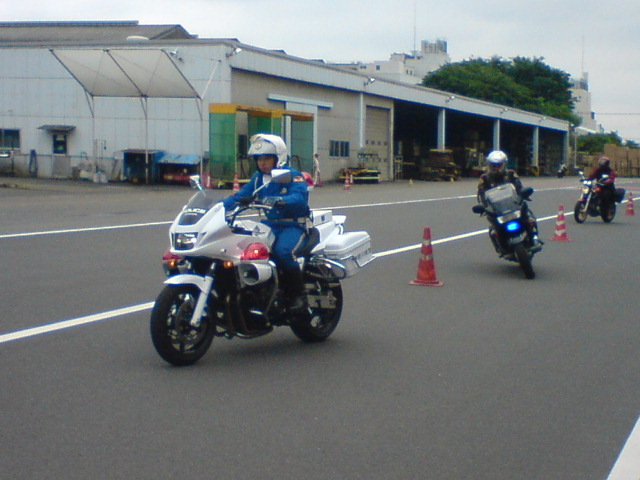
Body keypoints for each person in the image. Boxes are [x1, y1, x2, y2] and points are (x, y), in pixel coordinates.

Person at [223, 134, 310, 311]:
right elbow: (240, 196)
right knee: (244, 248)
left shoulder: (292, 175)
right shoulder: (258, 178)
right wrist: (216, 207)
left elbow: (300, 197)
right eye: (259, 159)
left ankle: (298, 296)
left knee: (283, 253)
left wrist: (281, 200)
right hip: (270, 225)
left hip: (293, 225)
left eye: (267, 158)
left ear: (278, 158)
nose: (262, 163)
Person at [477, 150, 541, 245]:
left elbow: (519, 187)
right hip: (497, 209)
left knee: (529, 217)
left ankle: (534, 236)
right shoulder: (484, 178)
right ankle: (500, 243)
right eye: (493, 165)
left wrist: (523, 194)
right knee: (493, 230)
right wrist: (484, 207)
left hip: (513, 204)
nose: (496, 168)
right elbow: (482, 194)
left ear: (504, 165)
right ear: (489, 165)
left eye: (499, 165)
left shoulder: (511, 174)